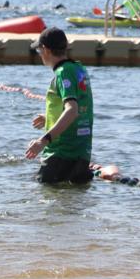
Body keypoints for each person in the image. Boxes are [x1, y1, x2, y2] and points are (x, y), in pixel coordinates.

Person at [25, 28, 94, 184]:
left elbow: (72, 110)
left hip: (60, 153)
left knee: (45, 198)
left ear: (46, 50)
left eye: (39, 50)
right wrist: (49, 118)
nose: (39, 54)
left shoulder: (62, 73)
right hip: (82, 153)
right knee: (72, 203)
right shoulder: (79, 69)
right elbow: (81, 106)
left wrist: (43, 141)